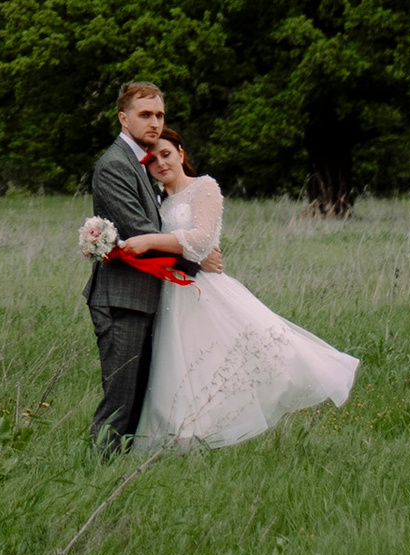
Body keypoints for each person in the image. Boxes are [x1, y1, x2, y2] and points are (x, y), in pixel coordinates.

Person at [131, 129, 358, 453]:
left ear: (181, 153)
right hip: (170, 293)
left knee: (242, 355)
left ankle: (212, 434)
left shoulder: (204, 187)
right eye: (152, 160)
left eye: (166, 154)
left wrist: (153, 242)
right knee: (178, 368)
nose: (160, 164)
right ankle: (181, 442)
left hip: (203, 290)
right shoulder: (159, 202)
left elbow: (201, 239)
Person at [83, 79, 197, 454]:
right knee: (120, 401)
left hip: (144, 297)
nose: (155, 123)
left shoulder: (145, 162)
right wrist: (196, 257)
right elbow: (139, 231)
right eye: (145, 114)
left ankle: (115, 475)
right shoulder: (114, 165)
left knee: (137, 401)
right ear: (123, 117)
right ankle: (94, 474)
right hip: (121, 299)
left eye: (160, 115)